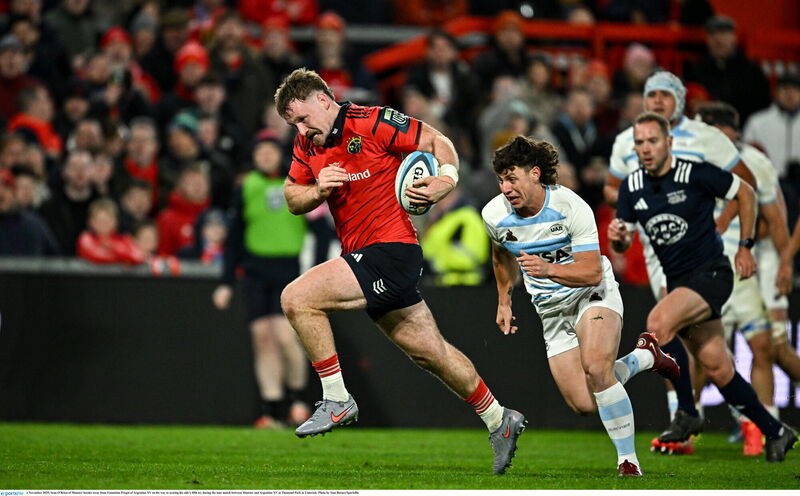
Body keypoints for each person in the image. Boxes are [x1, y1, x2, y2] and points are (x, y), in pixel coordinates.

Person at [275, 68, 525, 474]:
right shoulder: (308, 144)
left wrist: (446, 179)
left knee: (297, 298)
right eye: (294, 125)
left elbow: (437, 141)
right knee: (432, 353)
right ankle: (499, 418)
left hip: (391, 249)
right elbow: (291, 197)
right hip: (366, 256)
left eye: (303, 119)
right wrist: (318, 190)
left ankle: (336, 398)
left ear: (323, 99)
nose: (301, 130)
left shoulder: (372, 121)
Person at [483, 135, 679, 476]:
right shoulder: (494, 214)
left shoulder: (571, 207)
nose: (506, 188)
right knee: (585, 403)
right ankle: (645, 357)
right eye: (501, 180)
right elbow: (501, 254)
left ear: (535, 174)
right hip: (550, 310)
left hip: (590, 295)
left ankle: (628, 461)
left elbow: (590, 272)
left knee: (597, 368)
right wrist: (504, 300)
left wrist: (548, 269)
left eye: (512, 178)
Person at [608, 111, 797, 463]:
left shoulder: (694, 173)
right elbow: (623, 241)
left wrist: (745, 246)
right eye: (639, 142)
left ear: (669, 143)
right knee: (718, 367)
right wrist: (618, 237)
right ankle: (776, 431)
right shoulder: (631, 186)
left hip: (712, 274)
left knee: (658, 323)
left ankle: (686, 412)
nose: (645, 148)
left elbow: (746, 192)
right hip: (679, 281)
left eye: (652, 141)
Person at [603, 71, 757, 453]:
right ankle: (694, 421)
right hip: (658, 251)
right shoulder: (626, 139)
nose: (657, 101)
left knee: (681, 331)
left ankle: (710, 418)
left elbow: (745, 183)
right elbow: (612, 187)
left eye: (665, 94)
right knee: (677, 336)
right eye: (650, 94)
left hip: (704, 248)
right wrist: (630, 213)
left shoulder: (707, 137)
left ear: (681, 101)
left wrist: (725, 223)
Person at [698, 102, 800, 453]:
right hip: (709, 268)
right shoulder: (690, 161)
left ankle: (763, 425)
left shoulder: (755, 164)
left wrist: (784, 264)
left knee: (772, 348)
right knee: (706, 355)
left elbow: (775, 221)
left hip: (753, 267)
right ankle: (693, 424)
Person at [212, 131, 311, 429]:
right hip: (255, 270)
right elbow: (234, 239)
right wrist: (226, 282)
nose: (266, 155)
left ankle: (297, 400)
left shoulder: (298, 183)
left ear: (280, 154)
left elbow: (320, 228)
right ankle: (272, 411)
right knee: (262, 338)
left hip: (289, 270)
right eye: (260, 151)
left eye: (270, 150)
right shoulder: (246, 187)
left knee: (285, 336)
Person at [77, 197, 145, 265]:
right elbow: (96, 256)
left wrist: (113, 247)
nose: (103, 224)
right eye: (99, 220)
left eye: (108, 220)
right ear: (90, 222)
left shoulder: (123, 239)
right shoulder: (86, 238)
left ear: (116, 221)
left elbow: (138, 256)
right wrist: (123, 258)